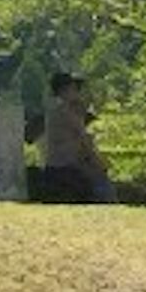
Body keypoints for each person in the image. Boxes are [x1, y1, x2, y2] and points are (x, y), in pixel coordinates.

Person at [36, 72, 107, 204]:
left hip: (66, 165)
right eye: (75, 89)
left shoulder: (60, 111)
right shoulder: (64, 112)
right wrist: (99, 162)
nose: (78, 93)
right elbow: (83, 139)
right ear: (65, 90)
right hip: (64, 166)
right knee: (99, 177)